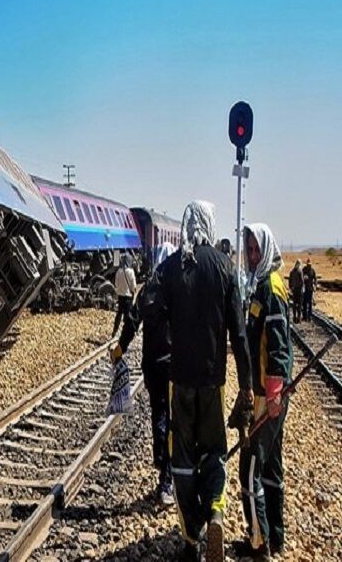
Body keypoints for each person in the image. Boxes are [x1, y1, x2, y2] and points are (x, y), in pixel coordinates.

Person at [141, 200, 252, 562]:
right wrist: (247, 386)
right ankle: (216, 512)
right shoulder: (224, 267)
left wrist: (168, 341)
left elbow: (149, 309)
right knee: (215, 453)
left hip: (180, 381)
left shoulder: (172, 266)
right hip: (213, 382)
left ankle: (191, 537)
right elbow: (239, 333)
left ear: (187, 225)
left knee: (183, 458)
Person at [234, 224, 293, 561]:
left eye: (257, 249)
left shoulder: (270, 288)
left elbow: (280, 345)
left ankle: (259, 545)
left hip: (267, 395)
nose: (253, 255)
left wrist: (272, 392)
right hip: (269, 393)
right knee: (271, 469)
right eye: (250, 250)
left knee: (251, 469)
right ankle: (276, 538)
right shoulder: (262, 284)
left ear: (267, 248)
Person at [112, 242, 176, 506]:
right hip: (174, 366)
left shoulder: (147, 290)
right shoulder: (177, 291)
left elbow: (131, 323)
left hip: (151, 366)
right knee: (173, 420)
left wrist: (119, 349)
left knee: (158, 413)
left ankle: (161, 458)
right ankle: (167, 480)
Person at [112, 253, 137, 336]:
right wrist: (134, 291)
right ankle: (125, 334)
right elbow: (134, 287)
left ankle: (114, 331)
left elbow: (116, 284)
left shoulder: (118, 271)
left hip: (120, 297)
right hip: (128, 298)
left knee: (119, 314)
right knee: (127, 317)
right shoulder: (131, 272)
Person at [288, 259, 303, 323]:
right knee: (298, 305)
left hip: (295, 290)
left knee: (295, 305)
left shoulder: (292, 271)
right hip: (298, 290)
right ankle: (298, 318)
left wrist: (291, 287)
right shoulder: (300, 272)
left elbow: (290, 281)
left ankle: (295, 318)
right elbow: (302, 281)